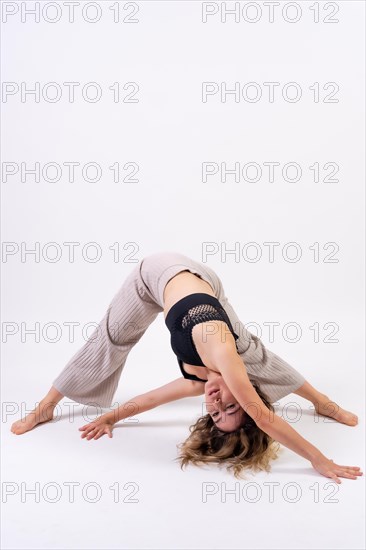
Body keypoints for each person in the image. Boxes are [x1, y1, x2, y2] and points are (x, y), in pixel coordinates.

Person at [10, 251, 362, 483]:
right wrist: (318, 459)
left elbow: (152, 399)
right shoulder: (226, 356)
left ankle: (318, 401)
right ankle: (44, 409)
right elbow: (265, 419)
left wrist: (111, 417)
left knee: (251, 351)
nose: (216, 401)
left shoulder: (198, 381)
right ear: (248, 392)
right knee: (111, 340)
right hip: (156, 272)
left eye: (216, 413)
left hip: (204, 283)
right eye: (232, 405)